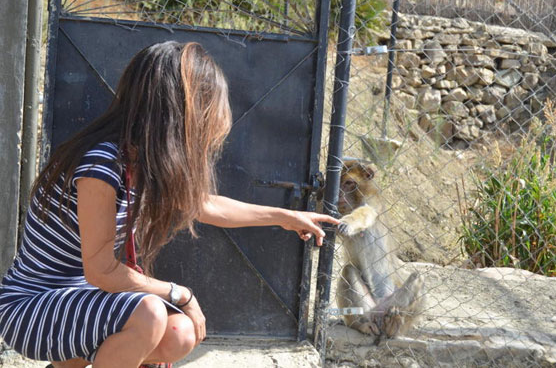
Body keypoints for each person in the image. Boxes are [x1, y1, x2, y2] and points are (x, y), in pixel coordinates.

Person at [0, 41, 339, 368]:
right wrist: (180, 293)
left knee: (179, 333)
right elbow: (101, 270)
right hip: (29, 308)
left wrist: (284, 216)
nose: (217, 119)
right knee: (149, 313)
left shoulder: (143, 163)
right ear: (177, 110)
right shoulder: (100, 166)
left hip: (79, 302)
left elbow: (207, 206)